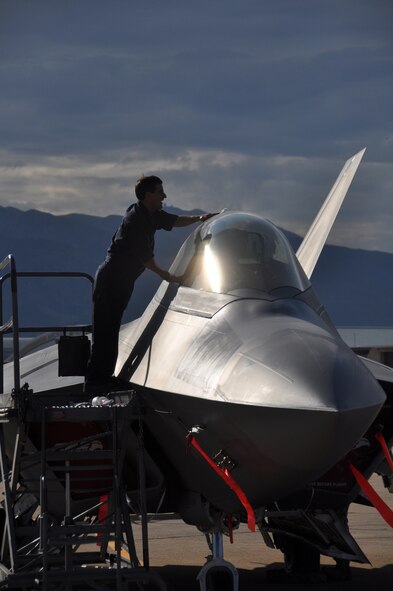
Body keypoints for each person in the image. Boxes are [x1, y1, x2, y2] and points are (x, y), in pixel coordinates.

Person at [84, 175, 217, 393]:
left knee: (111, 330)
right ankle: (96, 384)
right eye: (160, 192)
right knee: (104, 333)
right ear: (148, 196)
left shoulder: (149, 215)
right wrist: (169, 276)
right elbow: (146, 260)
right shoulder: (136, 220)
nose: (164, 196)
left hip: (122, 281)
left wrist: (200, 218)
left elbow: (174, 221)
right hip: (111, 282)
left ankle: (104, 379)